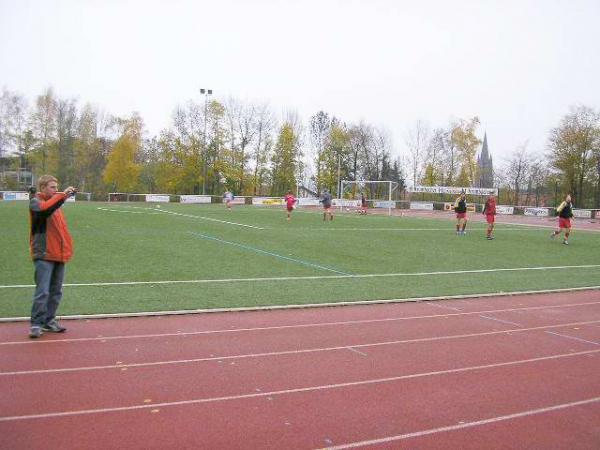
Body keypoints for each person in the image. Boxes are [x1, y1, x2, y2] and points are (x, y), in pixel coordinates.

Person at [28, 175, 76, 338]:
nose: (56, 190)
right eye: (52, 187)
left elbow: (61, 231)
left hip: (58, 254)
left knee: (56, 292)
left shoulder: (56, 205)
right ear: (42, 188)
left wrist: (67, 249)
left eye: (57, 187)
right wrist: (62, 195)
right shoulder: (36, 202)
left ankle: (49, 321)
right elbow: (45, 209)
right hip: (43, 254)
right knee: (43, 291)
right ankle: (36, 324)